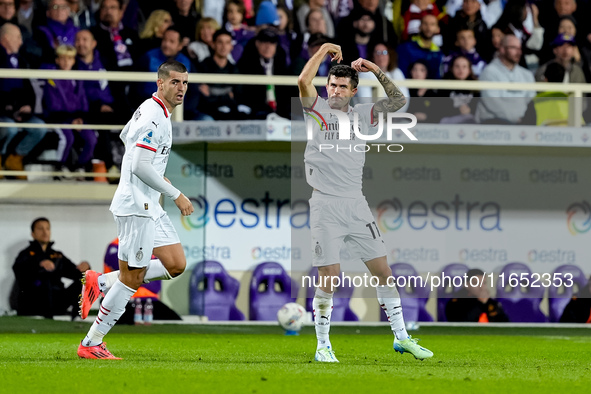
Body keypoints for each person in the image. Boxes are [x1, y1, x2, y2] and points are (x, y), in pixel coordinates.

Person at [298, 43, 433, 362]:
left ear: (353, 90)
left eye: (342, 86)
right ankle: (322, 345)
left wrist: (375, 69)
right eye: (331, 84)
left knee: (384, 271)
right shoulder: (317, 109)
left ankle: (401, 337)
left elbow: (399, 100)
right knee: (329, 277)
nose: (335, 90)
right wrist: (323, 50)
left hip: (355, 205)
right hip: (325, 205)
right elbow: (304, 81)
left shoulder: (364, 114)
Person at [76, 59, 194, 360]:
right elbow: (140, 164)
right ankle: (91, 342)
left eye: (185, 82)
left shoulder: (150, 109)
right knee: (133, 278)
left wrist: (153, 172)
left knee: (175, 264)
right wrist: (175, 193)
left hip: (148, 202)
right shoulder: (155, 117)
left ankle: (100, 282)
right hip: (137, 205)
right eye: (175, 82)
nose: (181, 88)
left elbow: (125, 136)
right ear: (161, 83)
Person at [12, 217, 90, 319]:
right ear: (33, 234)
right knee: (45, 279)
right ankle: (48, 316)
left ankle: (77, 318)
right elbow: (18, 271)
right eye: (40, 229)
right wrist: (39, 264)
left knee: (84, 280)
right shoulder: (26, 254)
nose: (45, 232)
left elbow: (75, 273)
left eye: (47, 228)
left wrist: (85, 267)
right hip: (33, 301)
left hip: (56, 301)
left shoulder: (57, 255)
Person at [0, 23, 47, 178]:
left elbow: (30, 90)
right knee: (10, 128)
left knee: (40, 128)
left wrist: (28, 106)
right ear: (6, 38)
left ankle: (15, 159)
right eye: (18, 38)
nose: (21, 42)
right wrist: (9, 108)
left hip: (20, 111)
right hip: (4, 112)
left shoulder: (22, 60)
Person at [43, 44, 97, 172]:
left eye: (69, 58)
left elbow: (83, 101)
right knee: (67, 137)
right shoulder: (52, 79)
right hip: (58, 119)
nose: (66, 62)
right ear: (57, 60)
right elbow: (52, 105)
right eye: (63, 58)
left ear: (73, 60)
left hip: (76, 119)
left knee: (91, 138)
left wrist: (80, 118)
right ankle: (59, 167)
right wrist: (70, 120)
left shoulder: (78, 78)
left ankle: (80, 166)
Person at [475, 34, 535, 124]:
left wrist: (524, 119)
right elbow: (492, 103)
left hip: (522, 123)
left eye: (519, 48)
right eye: (514, 48)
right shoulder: (489, 72)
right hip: (494, 124)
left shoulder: (527, 74)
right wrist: (514, 118)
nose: (519, 52)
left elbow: (530, 101)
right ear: (502, 49)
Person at [445, 268, 510, 322]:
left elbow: (505, 323)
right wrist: (480, 303)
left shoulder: (491, 302)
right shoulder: (456, 303)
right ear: (466, 285)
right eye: (476, 283)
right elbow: (462, 322)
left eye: (484, 283)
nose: (481, 287)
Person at [397, 14, 443, 79]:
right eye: (425, 24)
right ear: (419, 27)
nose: (428, 28)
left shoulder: (438, 53)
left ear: (438, 29)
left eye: (432, 24)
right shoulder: (406, 47)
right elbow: (401, 75)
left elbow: (437, 77)